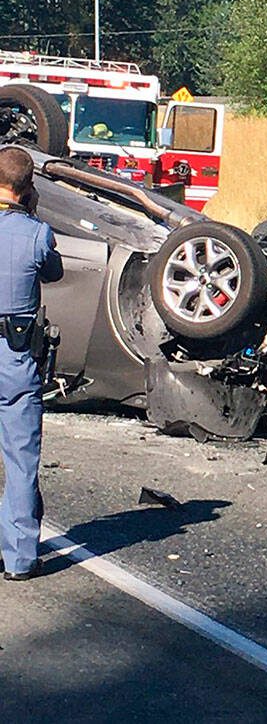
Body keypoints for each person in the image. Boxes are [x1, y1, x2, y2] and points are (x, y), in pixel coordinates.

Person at [0, 147, 62, 581]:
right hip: (15, 357)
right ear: (28, 187)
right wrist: (32, 214)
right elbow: (53, 273)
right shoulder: (38, 234)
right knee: (21, 458)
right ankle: (20, 558)